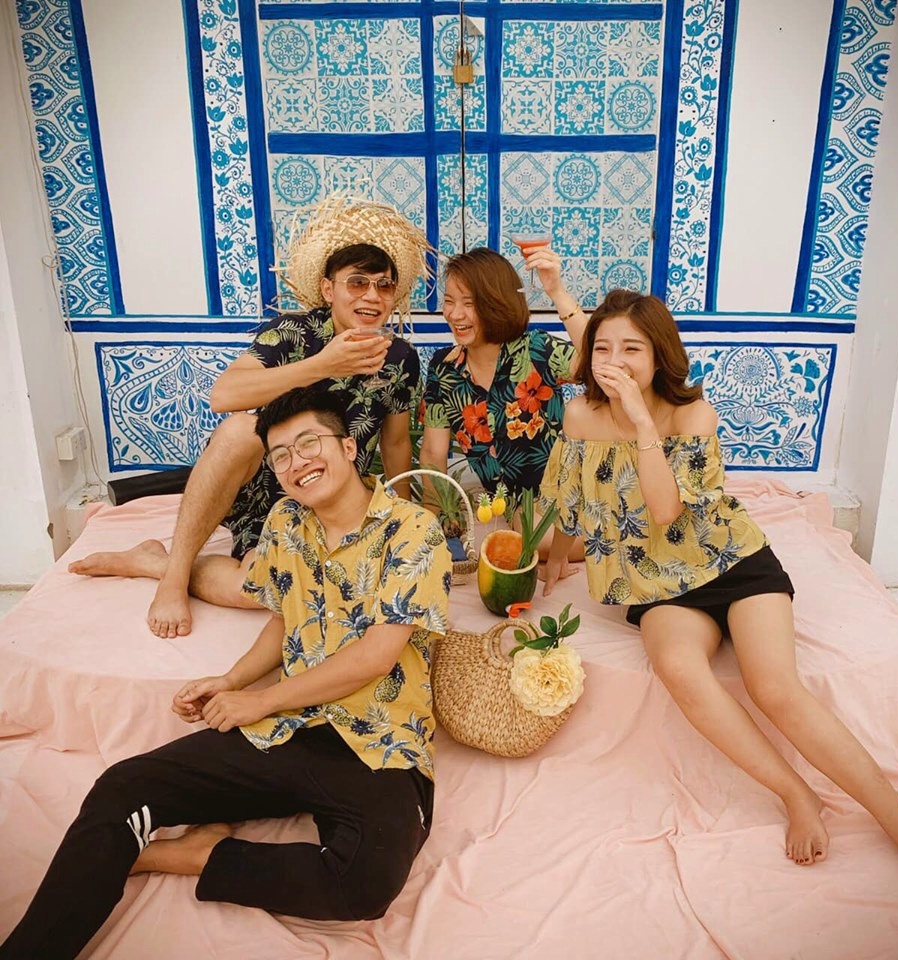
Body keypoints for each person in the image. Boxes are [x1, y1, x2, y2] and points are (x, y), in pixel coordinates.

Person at [539, 289, 898, 907]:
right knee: (679, 667)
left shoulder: (692, 415)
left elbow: (665, 509)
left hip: (733, 564)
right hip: (657, 584)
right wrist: (553, 557)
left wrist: (642, 423)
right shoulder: (580, 415)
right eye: (602, 348)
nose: (615, 361)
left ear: (658, 356)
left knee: (775, 688)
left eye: (632, 349)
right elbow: (571, 498)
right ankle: (795, 793)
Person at [0, 387, 452, 960]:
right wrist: (233, 681)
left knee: (365, 881)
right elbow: (287, 618)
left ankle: (197, 856)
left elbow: (375, 656)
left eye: (308, 443)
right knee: (122, 787)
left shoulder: (413, 530)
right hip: (292, 729)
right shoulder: (287, 521)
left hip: (380, 743)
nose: (296, 462)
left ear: (347, 447)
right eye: (281, 456)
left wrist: (260, 700)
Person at [69, 196, 430, 639]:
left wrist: (403, 516)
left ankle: (151, 560)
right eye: (357, 283)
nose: (372, 296)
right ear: (327, 289)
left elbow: (396, 442)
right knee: (241, 430)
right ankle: (174, 575)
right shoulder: (292, 333)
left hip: (335, 492)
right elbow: (223, 395)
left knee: (261, 591)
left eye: (384, 286)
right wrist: (324, 365)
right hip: (271, 484)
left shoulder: (400, 357)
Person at [420, 245, 588, 500]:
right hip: (499, 509)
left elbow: (596, 364)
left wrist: (557, 291)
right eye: (449, 301)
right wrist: (435, 513)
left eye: (469, 303)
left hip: (561, 504)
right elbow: (433, 452)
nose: (455, 314)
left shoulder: (536, 349)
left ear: (497, 303)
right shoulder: (443, 367)